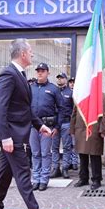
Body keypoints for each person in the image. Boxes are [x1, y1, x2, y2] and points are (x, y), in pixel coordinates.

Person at [0, 38, 59, 209]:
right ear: (23, 53)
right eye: (31, 51)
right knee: (23, 175)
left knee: (4, 174)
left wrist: (39, 125)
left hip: (15, 134)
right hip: (11, 136)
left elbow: (23, 108)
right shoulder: (8, 74)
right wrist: (5, 137)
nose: (33, 54)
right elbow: (0, 108)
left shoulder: (20, 74)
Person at [29, 63, 66, 191]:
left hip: (47, 126)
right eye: (38, 71)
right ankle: (36, 179)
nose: (40, 73)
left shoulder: (54, 89)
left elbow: (62, 109)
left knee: (45, 154)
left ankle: (44, 179)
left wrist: (57, 126)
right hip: (33, 127)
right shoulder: (30, 88)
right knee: (35, 154)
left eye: (42, 71)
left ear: (47, 73)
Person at [71, 94, 105, 190]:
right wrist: (72, 128)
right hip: (80, 128)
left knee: (95, 155)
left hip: (94, 128)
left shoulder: (102, 97)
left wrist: (103, 130)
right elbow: (75, 112)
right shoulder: (81, 94)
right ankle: (83, 178)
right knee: (82, 155)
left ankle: (96, 179)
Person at [51, 72, 74, 179]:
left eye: (62, 78)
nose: (60, 80)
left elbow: (74, 109)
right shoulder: (53, 91)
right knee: (54, 147)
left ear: (66, 79)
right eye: (58, 78)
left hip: (66, 123)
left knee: (66, 147)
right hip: (55, 124)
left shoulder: (70, 92)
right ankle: (56, 168)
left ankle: (65, 168)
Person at [67, 77, 79, 170]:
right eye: (70, 82)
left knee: (75, 143)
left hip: (75, 121)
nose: (72, 84)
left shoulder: (78, 93)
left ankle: (75, 162)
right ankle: (70, 162)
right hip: (67, 120)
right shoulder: (66, 92)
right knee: (68, 144)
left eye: (73, 82)